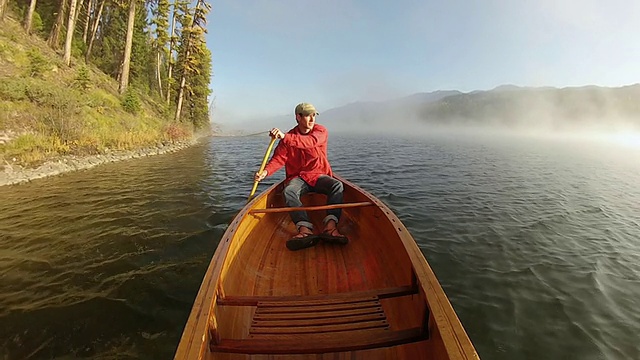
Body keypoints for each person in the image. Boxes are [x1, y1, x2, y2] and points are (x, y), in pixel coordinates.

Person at [254, 102, 348, 251]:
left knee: (337, 185)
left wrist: (284, 137)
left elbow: (310, 143)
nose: (312, 119)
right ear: (298, 117)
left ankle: (330, 227)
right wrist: (265, 173)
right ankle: (305, 229)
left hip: (318, 175)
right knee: (289, 191)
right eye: (307, 116)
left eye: (313, 116)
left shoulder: (320, 131)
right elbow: (278, 160)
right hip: (298, 177)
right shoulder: (288, 139)